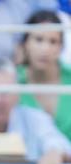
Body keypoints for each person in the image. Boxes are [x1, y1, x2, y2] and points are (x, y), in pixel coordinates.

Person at [17, 11, 71, 139]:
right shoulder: (11, 81)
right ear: (26, 43)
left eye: (53, 42)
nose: (45, 49)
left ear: (61, 47)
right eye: (38, 39)